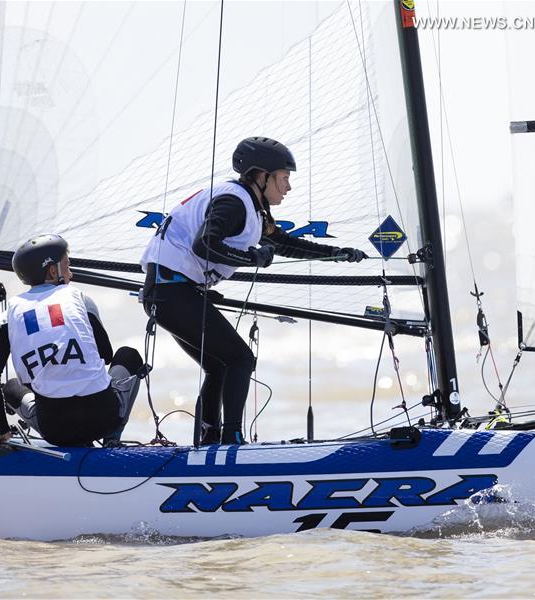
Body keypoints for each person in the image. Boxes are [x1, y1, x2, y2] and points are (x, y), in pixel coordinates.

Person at [139, 137, 367, 445]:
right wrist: (250, 258)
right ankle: (232, 439)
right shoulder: (234, 202)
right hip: (171, 291)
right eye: (284, 178)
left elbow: (284, 243)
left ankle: (208, 440)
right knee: (240, 360)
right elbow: (204, 243)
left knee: (221, 364)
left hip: (171, 291)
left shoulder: (253, 207)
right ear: (262, 177)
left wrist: (335, 252)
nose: (288, 187)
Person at [0, 234, 145, 447]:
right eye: (67, 266)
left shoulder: (8, 316)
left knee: (11, 387)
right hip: (104, 419)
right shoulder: (78, 298)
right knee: (128, 355)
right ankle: (112, 440)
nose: (71, 273)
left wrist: (1, 429)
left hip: (55, 430)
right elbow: (106, 354)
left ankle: (4, 434)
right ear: (52, 271)